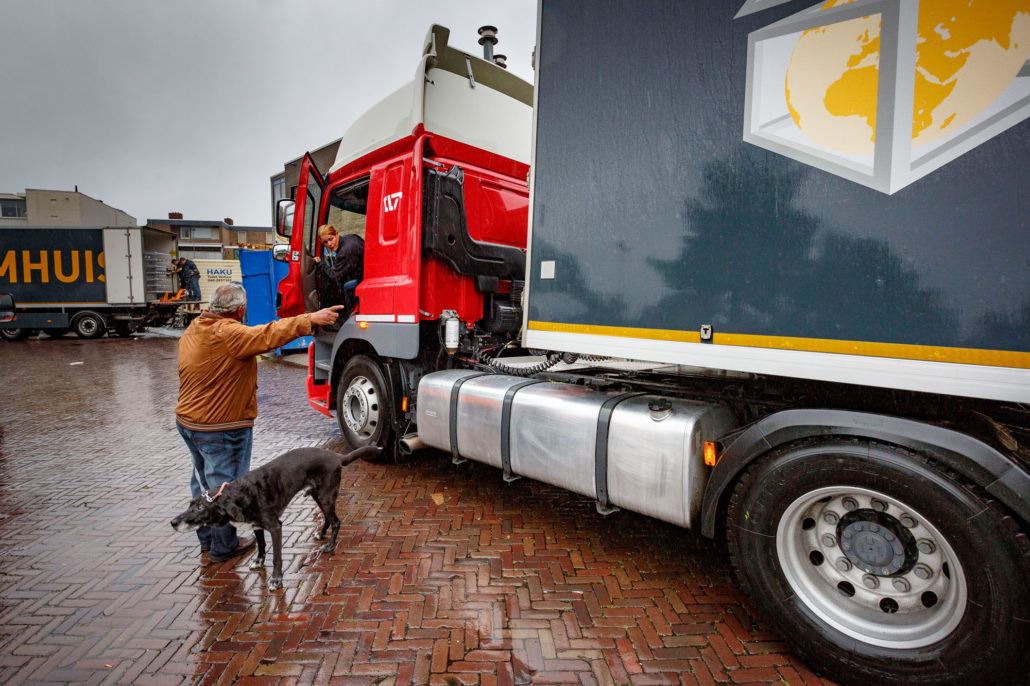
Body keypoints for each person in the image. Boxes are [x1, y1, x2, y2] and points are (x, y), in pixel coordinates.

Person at [175, 282, 344, 562]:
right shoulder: (229, 332)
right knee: (224, 487)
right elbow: (269, 334)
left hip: (189, 421)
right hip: (220, 426)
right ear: (240, 310)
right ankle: (223, 547)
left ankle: (206, 538)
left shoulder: (197, 326)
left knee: (201, 483)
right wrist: (310, 319)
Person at [313, 224, 363, 315]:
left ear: (337, 234)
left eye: (331, 239)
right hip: (366, 274)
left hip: (364, 279)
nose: (329, 244)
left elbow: (334, 275)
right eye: (325, 242)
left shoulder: (345, 251)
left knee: (346, 286)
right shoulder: (350, 238)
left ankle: (349, 313)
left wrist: (321, 263)